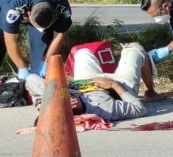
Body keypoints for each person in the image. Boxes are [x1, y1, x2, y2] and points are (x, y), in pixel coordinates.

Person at [25, 42, 159, 122]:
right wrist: (114, 85)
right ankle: (151, 93)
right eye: (71, 109)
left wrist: (53, 97)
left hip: (86, 79)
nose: (71, 103)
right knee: (134, 49)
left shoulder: (56, 98)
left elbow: (31, 80)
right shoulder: (103, 109)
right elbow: (139, 109)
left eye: (65, 102)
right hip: (120, 84)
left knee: (82, 52)